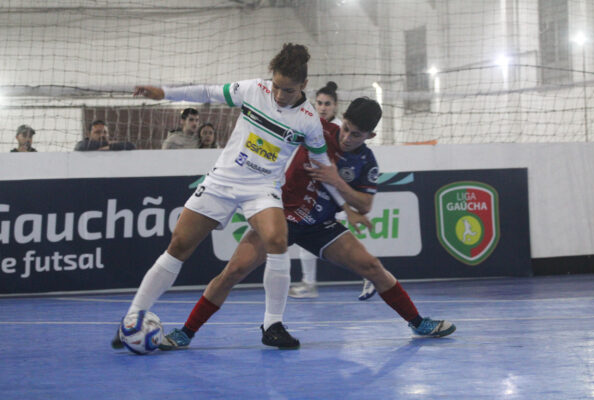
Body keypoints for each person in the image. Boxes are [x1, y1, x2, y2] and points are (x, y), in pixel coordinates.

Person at [158, 98, 456, 351]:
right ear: (343, 120)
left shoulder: (367, 161)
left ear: (371, 135)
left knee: (372, 266)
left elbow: (364, 205)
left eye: (356, 135)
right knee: (233, 271)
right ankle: (186, 332)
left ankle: (418, 323)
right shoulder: (318, 129)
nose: (347, 138)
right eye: (347, 129)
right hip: (280, 216)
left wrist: (337, 181)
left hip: (320, 226)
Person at [112, 43, 346, 350]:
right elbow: (208, 92)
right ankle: (132, 319)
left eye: (287, 90)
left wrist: (344, 202)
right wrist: (165, 93)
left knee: (277, 240)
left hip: (262, 189)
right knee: (178, 245)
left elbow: (321, 164)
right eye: (275, 86)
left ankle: (272, 325)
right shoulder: (252, 90)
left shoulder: (308, 120)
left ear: (303, 85)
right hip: (223, 181)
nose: (278, 95)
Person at [290, 81, 376, 301]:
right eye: (319, 103)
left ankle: (367, 272)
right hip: (312, 195)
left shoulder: (339, 131)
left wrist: (347, 207)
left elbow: (331, 177)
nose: (323, 107)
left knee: (296, 237)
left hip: (324, 198)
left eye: (327, 104)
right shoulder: (318, 126)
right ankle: (309, 284)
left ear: (336, 106)